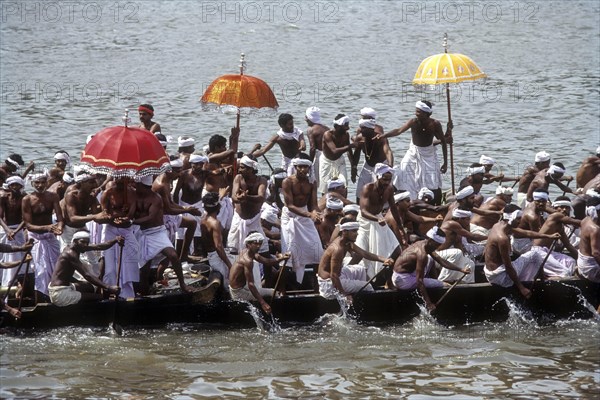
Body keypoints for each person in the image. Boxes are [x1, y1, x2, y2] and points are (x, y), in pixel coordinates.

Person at [133, 175, 195, 294]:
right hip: (142, 233)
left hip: (157, 232)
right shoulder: (132, 195)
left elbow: (150, 217)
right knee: (144, 270)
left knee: (173, 255)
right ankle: (144, 294)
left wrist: (132, 221)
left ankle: (183, 285)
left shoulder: (156, 198)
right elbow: (130, 212)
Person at [483, 204, 561, 299]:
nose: (520, 221)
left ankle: (539, 277)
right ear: (511, 218)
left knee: (530, 254)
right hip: (501, 278)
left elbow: (526, 233)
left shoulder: (498, 225)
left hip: (490, 273)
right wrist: (521, 288)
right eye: (518, 219)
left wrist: (549, 236)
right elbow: (508, 266)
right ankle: (542, 281)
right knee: (535, 253)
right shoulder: (502, 238)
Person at [380, 101, 449, 204]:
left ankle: (432, 201)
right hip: (413, 151)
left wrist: (445, 163)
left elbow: (443, 141)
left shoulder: (434, 124)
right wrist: (385, 135)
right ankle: (403, 198)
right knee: (402, 173)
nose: (416, 114)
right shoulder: (413, 122)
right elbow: (399, 131)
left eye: (418, 112)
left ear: (426, 113)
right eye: (416, 111)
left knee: (431, 180)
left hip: (428, 154)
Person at [391, 226, 470, 311]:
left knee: (431, 259)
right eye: (437, 245)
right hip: (403, 281)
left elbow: (441, 260)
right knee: (445, 285)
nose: (437, 247)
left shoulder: (423, 243)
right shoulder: (422, 254)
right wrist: (428, 303)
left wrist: (461, 269)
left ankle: (434, 280)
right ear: (431, 241)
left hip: (401, 274)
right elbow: (420, 281)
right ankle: (437, 283)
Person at [317, 219, 394, 299]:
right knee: (368, 287)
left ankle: (356, 294)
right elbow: (334, 276)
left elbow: (365, 254)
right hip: (329, 285)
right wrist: (344, 295)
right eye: (354, 231)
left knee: (361, 270)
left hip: (338, 275)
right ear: (345, 232)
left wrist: (384, 259)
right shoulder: (337, 250)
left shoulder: (347, 243)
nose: (357, 234)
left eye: (356, 231)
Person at [48, 231, 121, 306]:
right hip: (60, 294)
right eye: (83, 242)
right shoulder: (70, 254)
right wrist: (108, 287)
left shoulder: (77, 247)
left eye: (87, 243)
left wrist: (115, 240)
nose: (85, 245)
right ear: (75, 241)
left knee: (91, 287)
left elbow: (99, 246)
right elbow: (87, 275)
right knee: (100, 297)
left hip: (65, 287)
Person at [280, 158, 324, 284]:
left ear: (309, 168)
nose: (303, 169)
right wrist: (310, 214)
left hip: (306, 216)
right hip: (290, 216)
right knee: (288, 252)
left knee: (317, 251)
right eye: (300, 166)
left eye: (306, 167)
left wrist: (317, 214)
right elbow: (289, 205)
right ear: (295, 167)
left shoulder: (312, 182)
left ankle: (317, 286)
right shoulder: (287, 182)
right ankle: (282, 288)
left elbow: (314, 204)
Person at [21, 173, 64, 301]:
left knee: (56, 267)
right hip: (36, 238)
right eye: (37, 183)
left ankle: (55, 296)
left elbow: (60, 218)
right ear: (32, 184)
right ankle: (40, 298)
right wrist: (47, 228)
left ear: (47, 182)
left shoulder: (53, 196)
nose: (40, 185)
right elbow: (28, 225)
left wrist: (60, 227)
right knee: (40, 272)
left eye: (43, 182)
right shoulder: (27, 199)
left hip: (50, 237)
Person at [356, 163, 402, 279]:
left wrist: (401, 227)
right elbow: (363, 211)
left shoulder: (389, 189)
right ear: (377, 177)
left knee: (396, 249)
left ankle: (389, 280)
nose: (387, 182)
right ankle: (352, 275)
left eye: (389, 179)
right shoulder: (368, 188)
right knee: (361, 252)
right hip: (365, 222)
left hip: (379, 220)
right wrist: (377, 219)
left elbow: (394, 208)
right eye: (384, 179)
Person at [153, 158, 202, 262]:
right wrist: (187, 211)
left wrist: (185, 208)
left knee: (192, 223)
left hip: (168, 214)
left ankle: (184, 255)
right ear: (170, 170)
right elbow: (168, 210)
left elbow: (171, 203)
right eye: (178, 171)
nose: (180, 175)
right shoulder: (161, 185)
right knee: (167, 257)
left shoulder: (167, 180)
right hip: (160, 219)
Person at [229, 232, 289, 314]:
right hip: (239, 293)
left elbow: (267, 262)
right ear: (248, 244)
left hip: (239, 288)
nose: (258, 246)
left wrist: (280, 259)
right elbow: (250, 284)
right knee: (274, 293)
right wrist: (263, 303)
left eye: (260, 244)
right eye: (255, 243)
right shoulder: (247, 260)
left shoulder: (248, 252)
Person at [100, 177, 139, 298]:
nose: (119, 181)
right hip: (111, 230)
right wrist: (112, 217)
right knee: (110, 267)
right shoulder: (108, 192)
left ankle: (128, 293)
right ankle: (110, 292)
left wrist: (127, 216)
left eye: (122, 179)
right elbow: (104, 212)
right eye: (117, 178)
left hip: (126, 230)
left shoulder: (132, 192)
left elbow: (131, 215)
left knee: (132, 260)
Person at [529, 196, 579, 278]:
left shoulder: (561, 227)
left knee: (571, 262)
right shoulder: (553, 217)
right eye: (562, 207)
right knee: (565, 272)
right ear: (555, 209)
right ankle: (546, 281)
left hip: (549, 252)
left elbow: (568, 246)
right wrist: (588, 223)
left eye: (567, 208)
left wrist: (581, 260)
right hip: (538, 253)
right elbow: (579, 223)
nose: (564, 210)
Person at [228, 156, 269, 254]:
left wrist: (247, 197)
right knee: (234, 250)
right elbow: (234, 197)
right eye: (240, 167)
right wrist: (240, 198)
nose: (239, 170)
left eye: (242, 167)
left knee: (262, 250)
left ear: (251, 169)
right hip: (239, 219)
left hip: (254, 220)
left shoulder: (261, 180)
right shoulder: (238, 178)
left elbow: (261, 197)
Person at [435, 209, 486, 283]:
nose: (469, 222)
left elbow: (459, 246)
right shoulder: (451, 224)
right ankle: (443, 281)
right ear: (460, 219)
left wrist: (466, 258)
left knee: (469, 263)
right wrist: (490, 237)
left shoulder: (457, 232)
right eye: (467, 219)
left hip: (444, 256)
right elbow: (473, 236)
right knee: (456, 252)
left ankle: (465, 284)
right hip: (435, 255)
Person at [352, 117, 393, 202]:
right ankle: (358, 210)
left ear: (370, 129)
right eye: (360, 127)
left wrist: (389, 167)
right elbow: (356, 154)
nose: (360, 130)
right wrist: (354, 168)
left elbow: (388, 151)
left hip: (381, 166)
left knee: (378, 192)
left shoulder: (380, 138)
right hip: (368, 166)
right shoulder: (359, 138)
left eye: (363, 128)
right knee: (360, 192)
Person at [173, 154, 208, 255]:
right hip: (184, 205)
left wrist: (224, 170)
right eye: (195, 165)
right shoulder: (184, 174)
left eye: (200, 165)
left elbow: (216, 172)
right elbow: (176, 193)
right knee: (180, 233)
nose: (198, 167)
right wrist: (178, 208)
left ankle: (196, 253)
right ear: (191, 164)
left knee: (198, 230)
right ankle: (179, 254)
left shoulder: (204, 174)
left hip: (198, 204)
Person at [318, 114, 355, 195]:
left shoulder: (346, 135)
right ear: (337, 127)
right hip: (326, 162)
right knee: (326, 188)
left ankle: (343, 206)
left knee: (344, 185)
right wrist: (351, 146)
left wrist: (353, 166)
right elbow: (334, 151)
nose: (348, 128)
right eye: (345, 126)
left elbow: (349, 151)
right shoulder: (328, 135)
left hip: (339, 161)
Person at [201, 192, 232, 288]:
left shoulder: (203, 219)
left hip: (211, 257)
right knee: (226, 286)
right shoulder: (215, 223)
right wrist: (229, 265)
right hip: (217, 258)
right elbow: (218, 246)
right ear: (218, 207)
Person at [0, 176, 27, 287]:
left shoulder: (24, 198)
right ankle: (5, 282)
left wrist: (15, 231)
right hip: (5, 229)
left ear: (21, 186)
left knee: (20, 254)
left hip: (18, 229)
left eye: (17, 185)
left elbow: (26, 219)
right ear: (9, 186)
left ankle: (19, 281)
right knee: (3, 256)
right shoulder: (4, 197)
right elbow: (0, 217)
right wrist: (7, 230)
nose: (15, 187)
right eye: (12, 185)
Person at [577, 196, 600, 287]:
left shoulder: (585, 220)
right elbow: (596, 253)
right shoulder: (595, 229)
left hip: (582, 263)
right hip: (590, 268)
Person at [305, 106, 329, 190]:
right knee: (326, 182)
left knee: (314, 182)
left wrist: (309, 164)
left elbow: (312, 148)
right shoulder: (326, 129)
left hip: (319, 157)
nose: (305, 119)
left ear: (310, 118)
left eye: (306, 117)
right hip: (328, 156)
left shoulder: (311, 130)